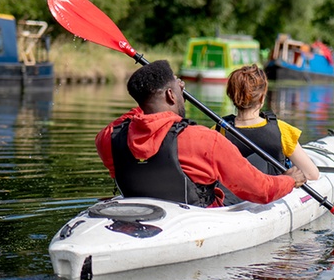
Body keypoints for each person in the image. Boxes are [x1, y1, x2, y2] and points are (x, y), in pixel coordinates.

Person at [95, 60, 306, 207]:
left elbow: (136, 118)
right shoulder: (204, 140)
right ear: (171, 94)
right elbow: (261, 190)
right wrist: (289, 180)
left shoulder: (108, 138)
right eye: (178, 89)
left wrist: (161, 100)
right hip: (198, 218)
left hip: (142, 213)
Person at [215, 64, 320, 204]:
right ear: (262, 97)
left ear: (231, 96)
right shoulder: (282, 130)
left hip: (230, 201)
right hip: (269, 199)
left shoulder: (219, 130)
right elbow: (312, 174)